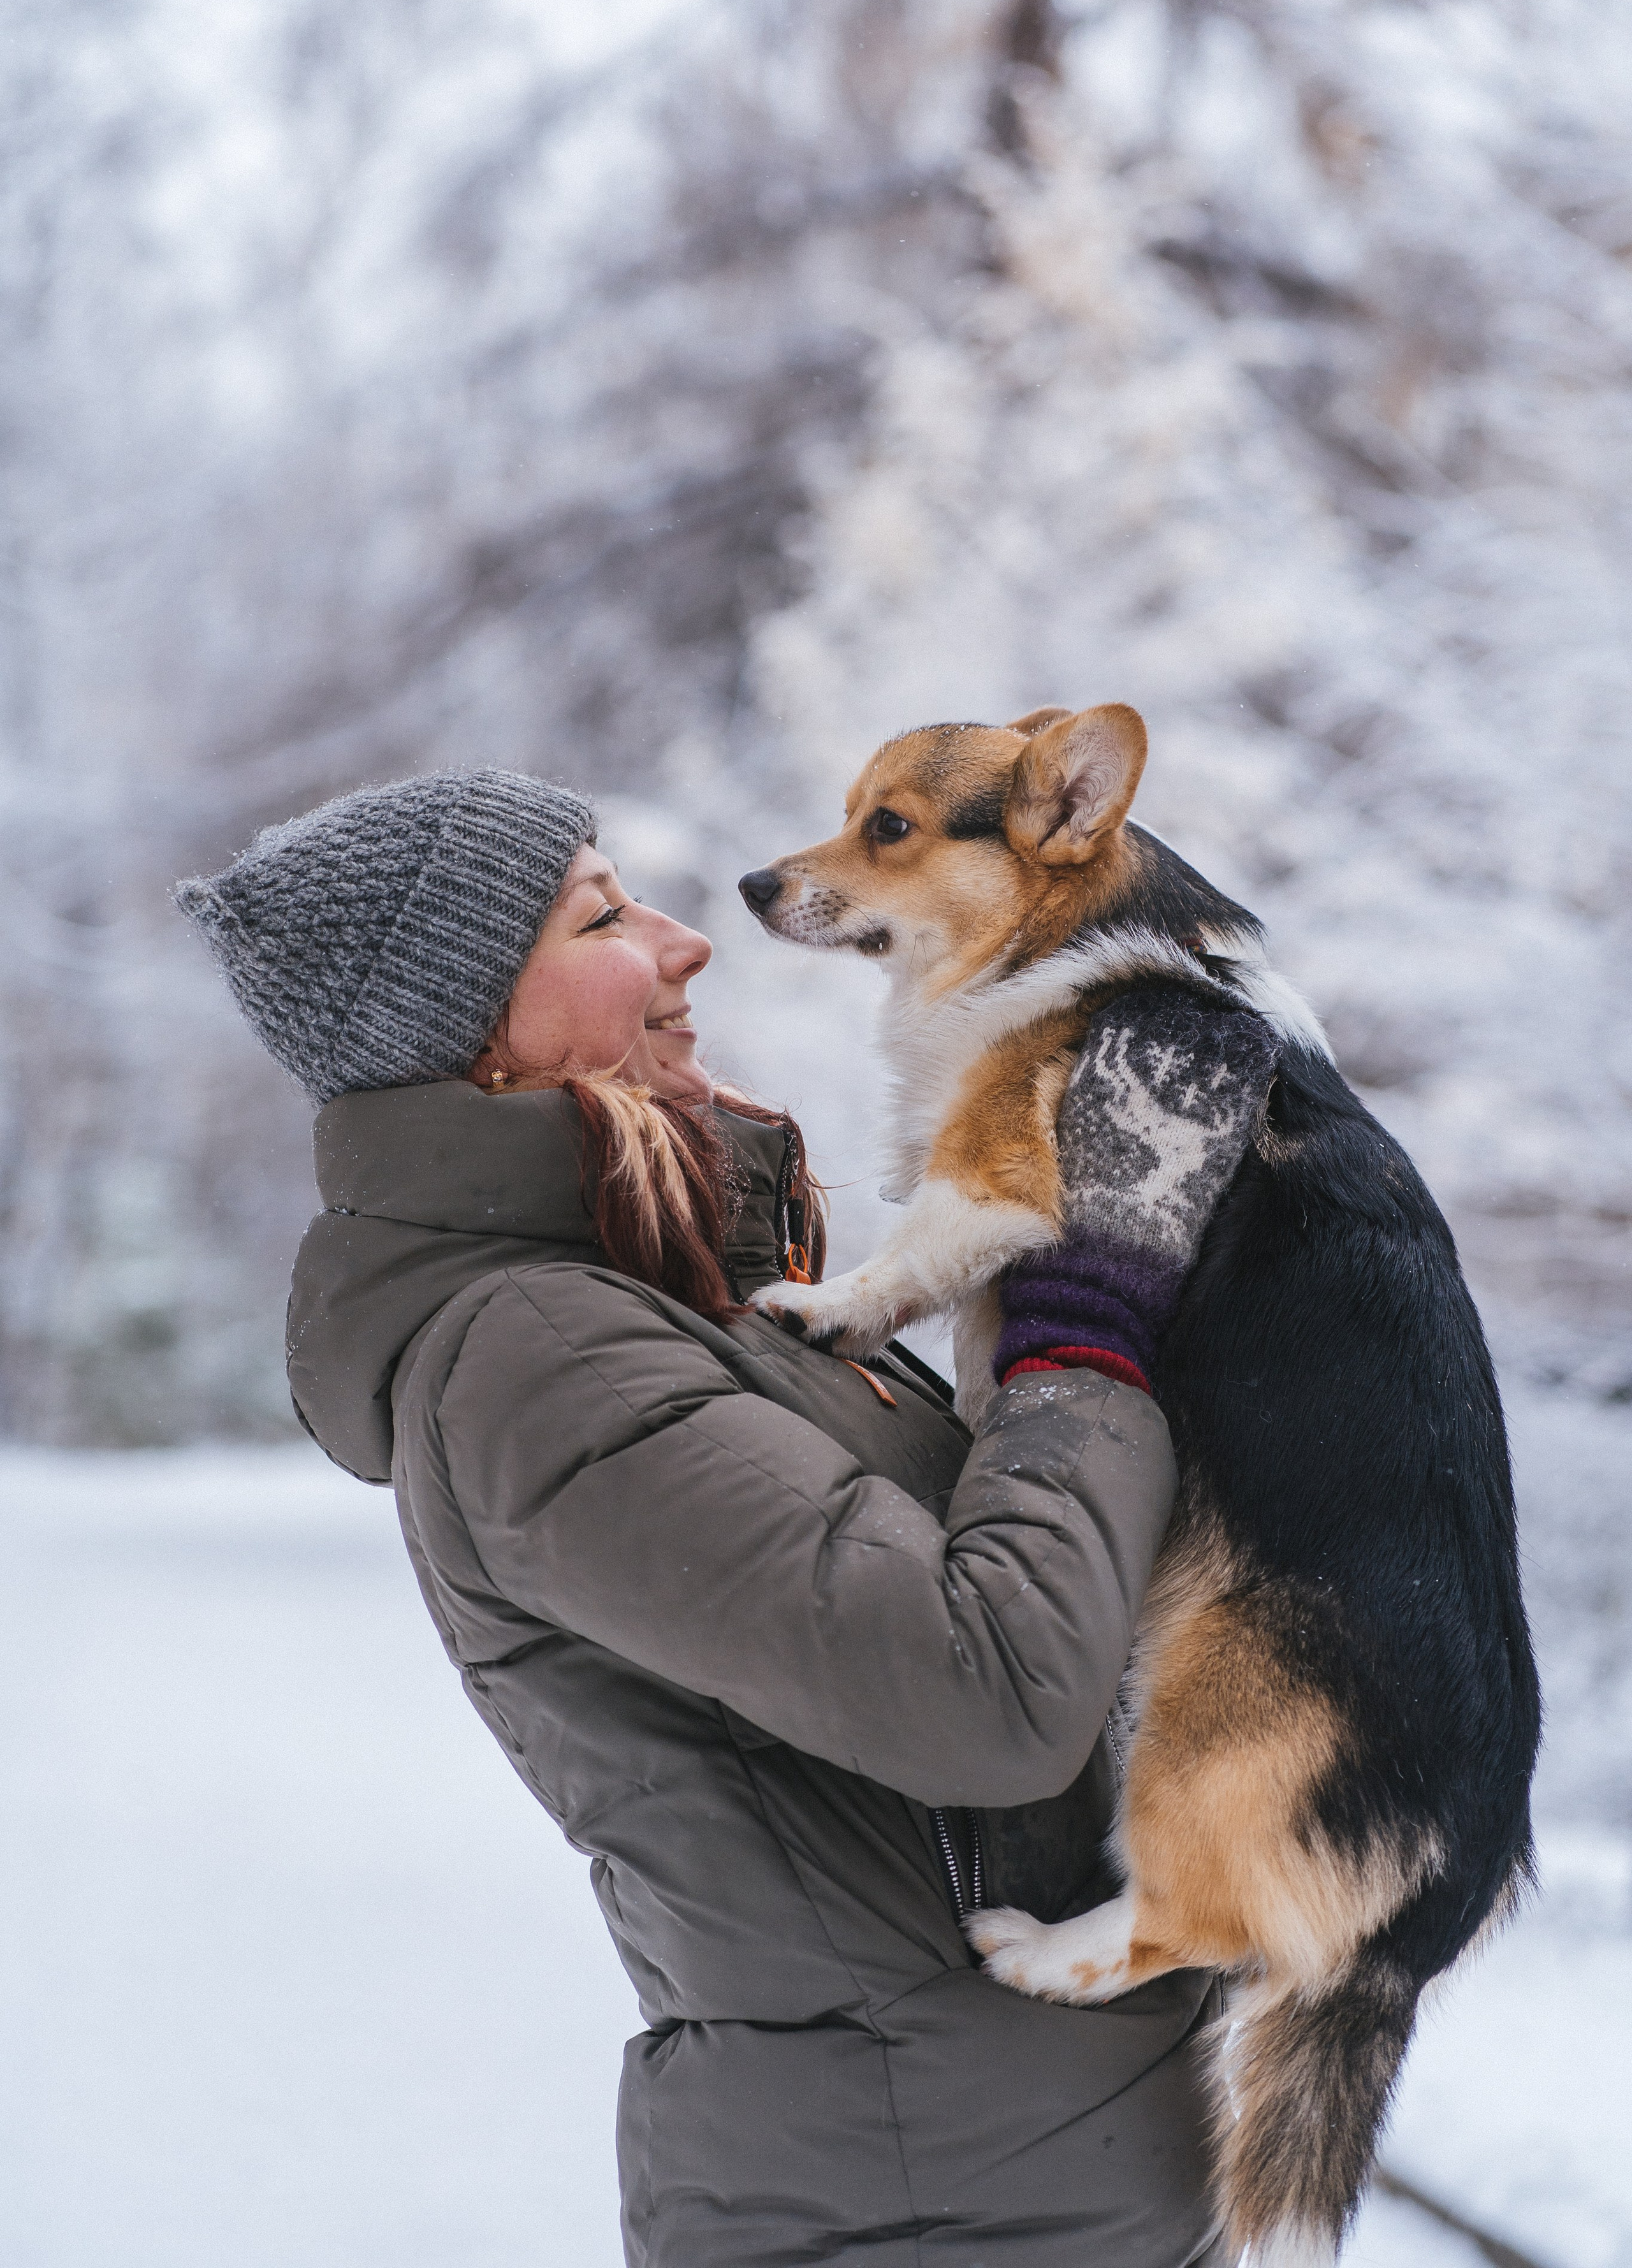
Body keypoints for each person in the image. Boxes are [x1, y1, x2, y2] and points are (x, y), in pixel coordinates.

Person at [178, 767, 1272, 2268]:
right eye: (604, 915)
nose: (689, 940)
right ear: (475, 1040)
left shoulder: (681, 1305)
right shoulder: (541, 1358)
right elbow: (987, 1688)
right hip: (927, 2207)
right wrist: (1079, 1323)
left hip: (1026, 2177)